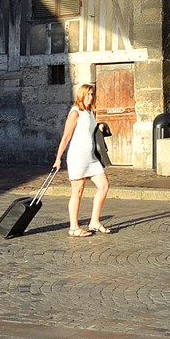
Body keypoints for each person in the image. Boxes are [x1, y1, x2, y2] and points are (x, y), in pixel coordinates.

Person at [54, 82, 111, 237]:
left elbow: (89, 129)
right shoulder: (75, 112)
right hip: (77, 157)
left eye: (92, 94)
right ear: (81, 95)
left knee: (104, 185)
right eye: (88, 94)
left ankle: (94, 222)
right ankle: (74, 227)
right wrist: (58, 158)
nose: (90, 97)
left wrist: (99, 126)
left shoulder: (90, 112)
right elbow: (66, 136)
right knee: (77, 192)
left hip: (91, 158)